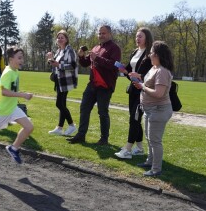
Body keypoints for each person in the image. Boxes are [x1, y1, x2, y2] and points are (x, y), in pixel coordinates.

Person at [67, 25, 121, 145]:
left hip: (105, 85)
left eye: (104, 33)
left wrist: (98, 58)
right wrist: (81, 56)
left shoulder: (115, 48)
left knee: (102, 112)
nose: (101, 35)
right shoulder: (96, 47)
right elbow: (86, 63)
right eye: (99, 33)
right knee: (84, 108)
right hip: (92, 84)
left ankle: (104, 139)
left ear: (110, 34)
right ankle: (81, 135)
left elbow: (114, 65)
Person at [133, 41, 174, 177]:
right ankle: (150, 161)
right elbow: (150, 83)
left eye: (151, 52)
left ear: (157, 55)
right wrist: (140, 80)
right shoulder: (154, 68)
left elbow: (158, 93)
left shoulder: (162, 71)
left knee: (155, 140)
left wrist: (142, 86)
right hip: (149, 109)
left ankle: (156, 169)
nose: (149, 55)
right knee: (149, 138)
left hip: (159, 110)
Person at [114, 27, 154, 159]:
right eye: (136, 36)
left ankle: (128, 149)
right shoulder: (135, 52)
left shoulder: (150, 55)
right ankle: (140, 148)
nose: (137, 39)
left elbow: (152, 74)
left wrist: (140, 76)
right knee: (135, 118)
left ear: (147, 38)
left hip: (143, 91)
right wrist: (123, 70)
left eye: (140, 36)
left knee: (134, 119)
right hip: (133, 89)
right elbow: (129, 71)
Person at [46, 30, 78, 136]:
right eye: (58, 37)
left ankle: (72, 125)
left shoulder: (70, 51)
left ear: (66, 39)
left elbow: (73, 66)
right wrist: (50, 59)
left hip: (65, 81)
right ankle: (59, 128)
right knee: (62, 104)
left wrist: (58, 65)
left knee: (59, 104)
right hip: (58, 80)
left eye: (62, 37)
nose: (60, 39)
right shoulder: (59, 51)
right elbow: (55, 64)